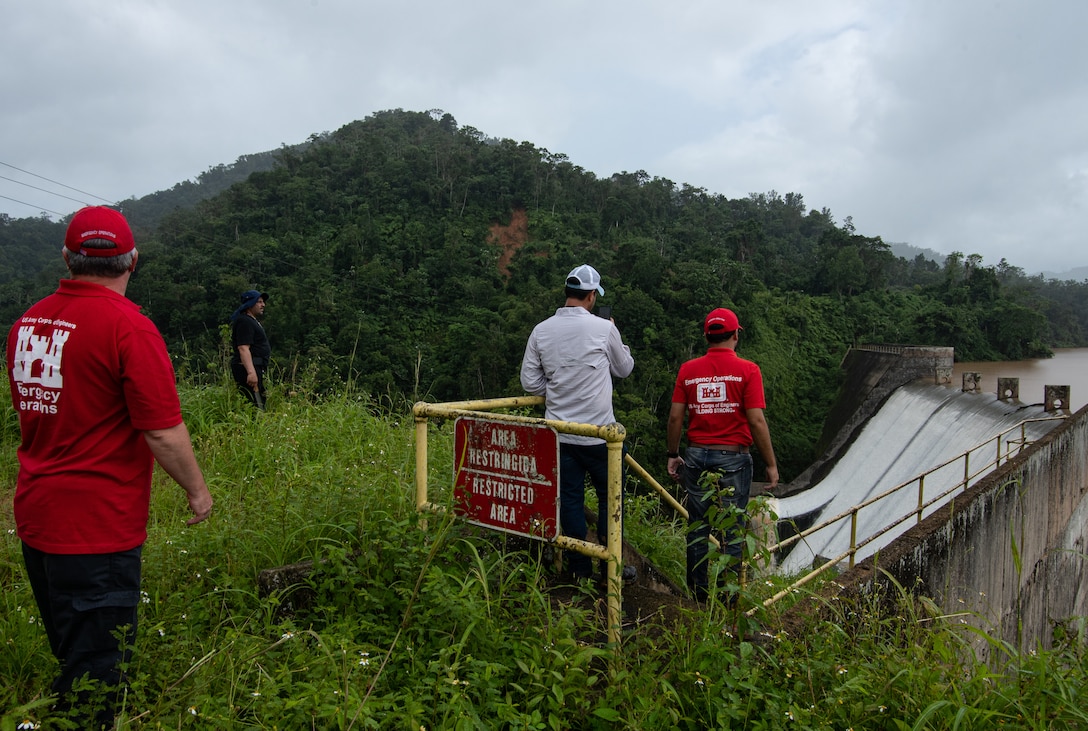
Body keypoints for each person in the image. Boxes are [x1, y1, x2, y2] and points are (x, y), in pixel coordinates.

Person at [7, 206, 214, 726]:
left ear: (67, 258)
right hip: (97, 529)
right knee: (98, 676)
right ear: (133, 260)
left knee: (72, 653)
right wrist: (197, 491)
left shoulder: (28, 322)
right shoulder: (129, 328)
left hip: (38, 517)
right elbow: (162, 431)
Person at [520, 264, 636, 582]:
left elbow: (530, 382)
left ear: (568, 294)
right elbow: (624, 368)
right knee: (610, 497)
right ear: (590, 296)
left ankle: (579, 568)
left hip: (560, 434)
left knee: (569, 498)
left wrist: (559, 389)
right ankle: (609, 566)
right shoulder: (603, 328)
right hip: (601, 437)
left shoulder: (541, 330)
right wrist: (616, 333)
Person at [666, 307, 779, 603]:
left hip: (695, 457)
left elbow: (676, 418)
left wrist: (673, 454)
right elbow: (756, 420)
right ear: (736, 334)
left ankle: (698, 597)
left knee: (698, 529)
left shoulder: (688, 371)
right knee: (732, 532)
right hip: (733, 459)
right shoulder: (748, 371)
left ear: (706, 336)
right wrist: (770, 464)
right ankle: (729, 601)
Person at [230, 289, 270, 408]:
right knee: (254, 403)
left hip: (255, 366)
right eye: (259, 302)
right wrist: (251, 372)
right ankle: (253, 425)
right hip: (248, 367)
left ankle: (256, 424)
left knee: (259, 399)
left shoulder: (251, 321)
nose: (263, 305)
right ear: (250, 304)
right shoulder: (244, 321)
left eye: (263, 302)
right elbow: (243, 348)